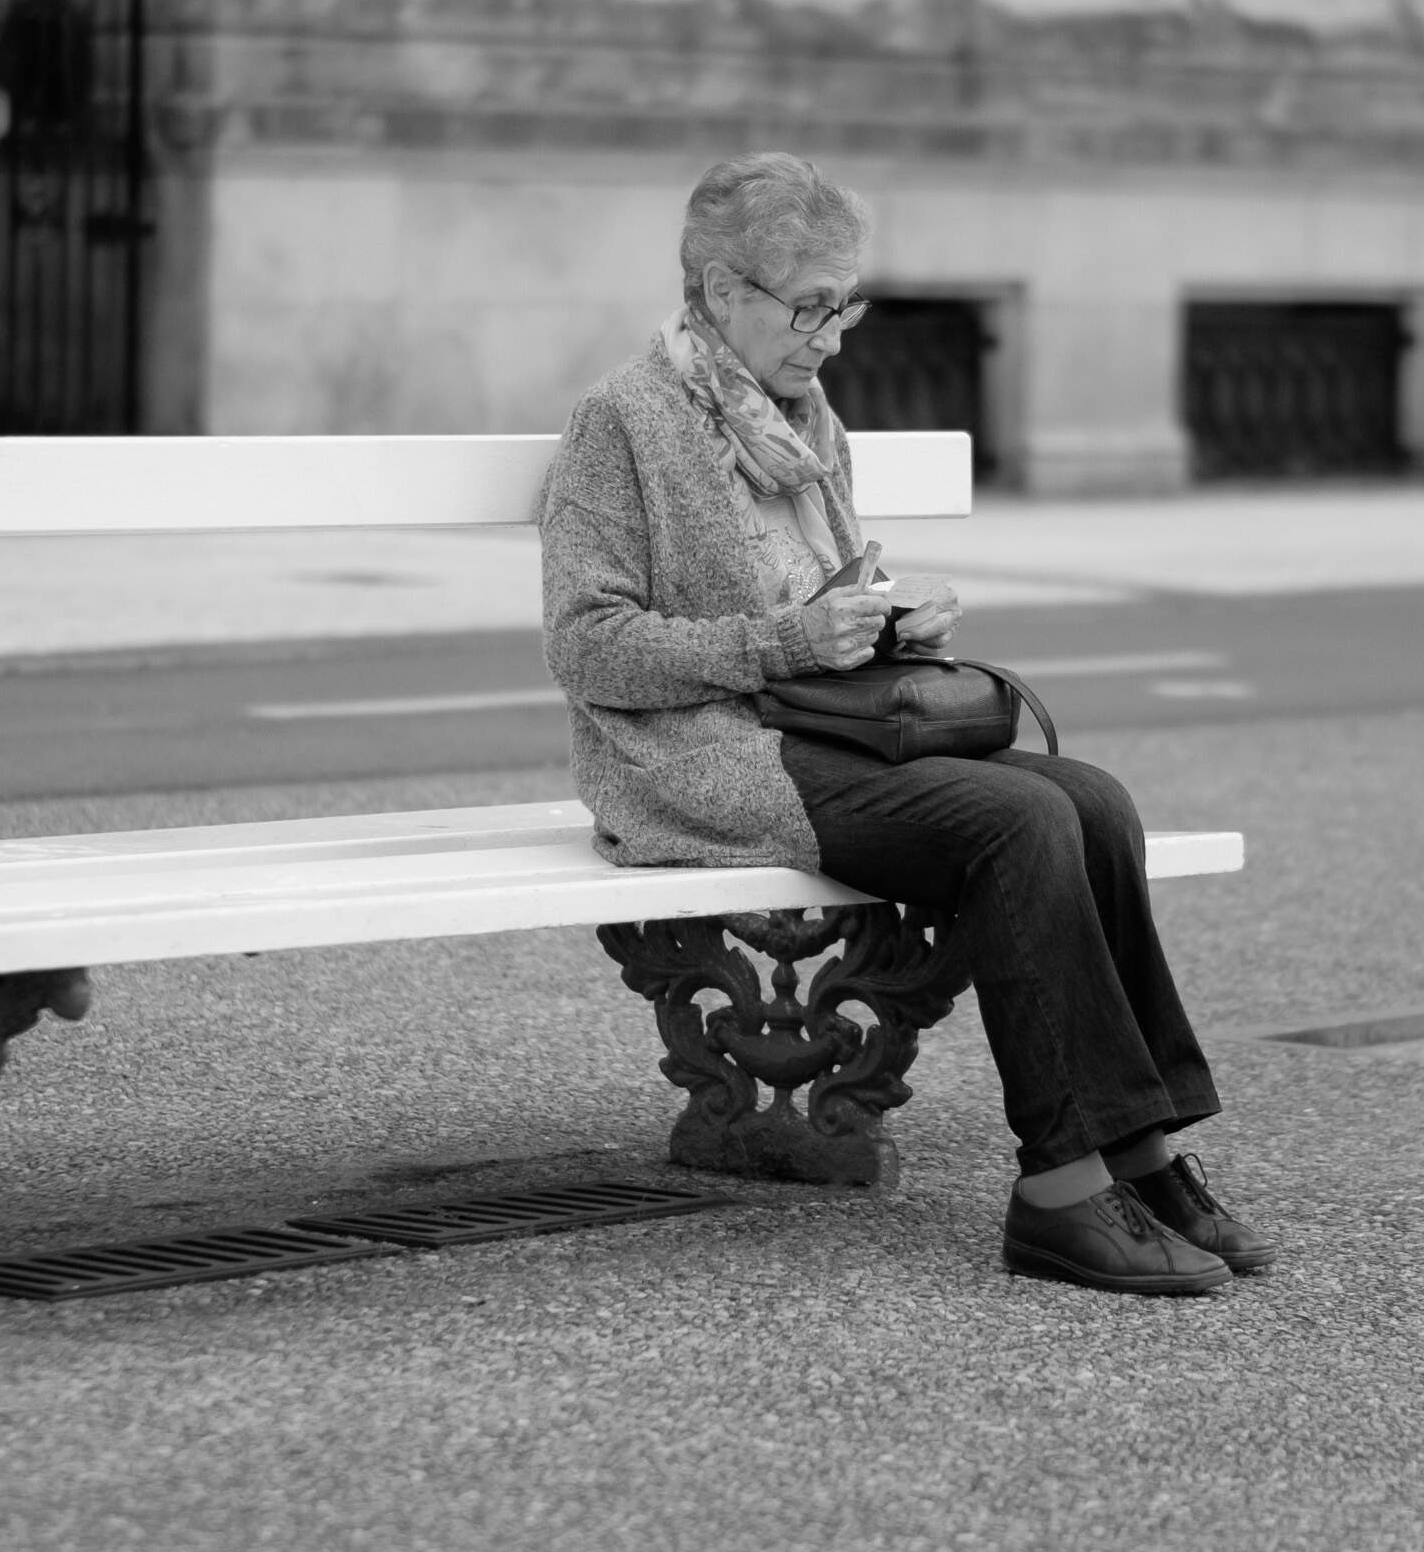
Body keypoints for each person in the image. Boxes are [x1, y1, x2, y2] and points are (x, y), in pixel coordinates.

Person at [539, 151, 1274, 1296]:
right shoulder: (620, 421)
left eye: (847, 306)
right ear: (722, 290)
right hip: (698, 762)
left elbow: (825, 599)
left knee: (1091, 801)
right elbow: (587, 647)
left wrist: (891, 619)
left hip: (821, 732)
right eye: (810, 307)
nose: (832, 338)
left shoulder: (804, 417)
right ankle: (1061, 1194)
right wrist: (787, 643)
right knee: (1017, 825)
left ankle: (1141, 1154)